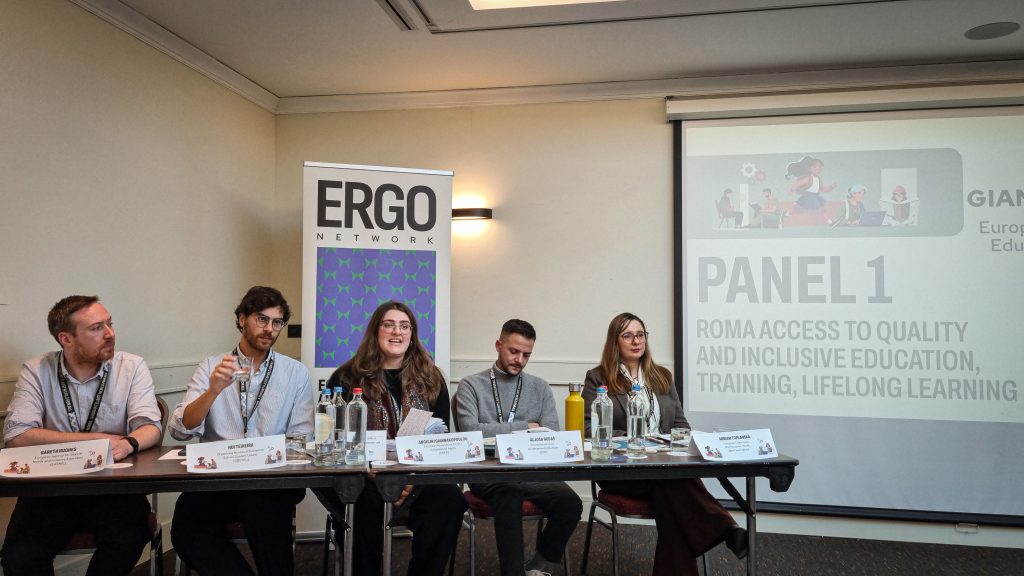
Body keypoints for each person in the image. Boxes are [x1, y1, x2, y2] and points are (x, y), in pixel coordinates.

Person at [1, 295, 162, 576]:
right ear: (66, 339)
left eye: (110, 324)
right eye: (97, 328)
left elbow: (150, 427)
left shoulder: (131, 366)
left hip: (113, 488)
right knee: (19, 556)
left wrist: (128, 443)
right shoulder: (37, 370)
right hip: (51, 490)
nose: (110, 334)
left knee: (127, 539)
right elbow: (16, 436)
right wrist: (98, 440)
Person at [582, 313, 747, 576]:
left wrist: (670, 442)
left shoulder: (662, 376)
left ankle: (724, 528)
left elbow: (681, 425)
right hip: (621, 470)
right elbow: (589, 429)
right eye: (628, 335)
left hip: (663, 468)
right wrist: (638, 438)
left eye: (641, 335)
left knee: (670, 492)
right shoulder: (598, 377)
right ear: (615, 341)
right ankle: (724, 527)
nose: (636, 341)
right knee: (674, 483)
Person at [169, 286, 314, 576]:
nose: (269, 329)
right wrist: (213, 390)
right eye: (262, 319)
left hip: (270, 480)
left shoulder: (295, 373)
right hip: (219, 480)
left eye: (277, 322)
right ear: (242, 319)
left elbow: (302, 439)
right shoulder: (211, 367)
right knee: (187, 522)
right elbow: (181, 429)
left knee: (264, 510)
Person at [325, 301, 466, 576]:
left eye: (404, 326)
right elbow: (334, 439)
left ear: (412, 334)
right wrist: (370, 471)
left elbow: (439, 441)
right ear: (375, 331)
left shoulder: (431, 378)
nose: (397, 332)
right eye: (388, 325)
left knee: (449, 499)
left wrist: (411, 479)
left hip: (417, 476)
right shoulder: (346, 376)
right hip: (363, 475)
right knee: (360, 504)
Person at [455, 319, 583, 576]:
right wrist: (528, 426)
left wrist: (495, 430)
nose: (520, 360)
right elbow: (471, 432)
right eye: (514, 352)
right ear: (498, 345)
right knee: (509, 493)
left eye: (527, 355)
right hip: (487, 470)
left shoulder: (540, 387)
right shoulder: (471, 385)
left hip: (531, 469)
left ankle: (535, 568)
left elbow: (550, 433)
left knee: (571, 503)